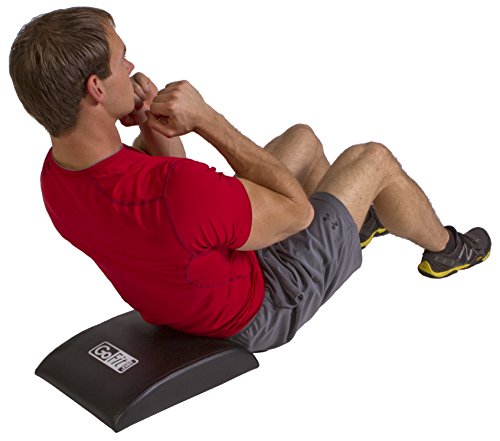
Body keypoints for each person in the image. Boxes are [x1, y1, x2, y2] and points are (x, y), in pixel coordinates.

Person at [10, 7, 491, 353]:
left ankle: (353, 225)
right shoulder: (176, 190)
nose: (132, 67)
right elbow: (296, 213)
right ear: (96, 88)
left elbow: (170, 217)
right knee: (372, 159)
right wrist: (207, 119)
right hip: (263, 306)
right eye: (122, 60)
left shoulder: (56, 177)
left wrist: (152, 124)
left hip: (189, 286)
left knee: (303, 140)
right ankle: (448, 250)